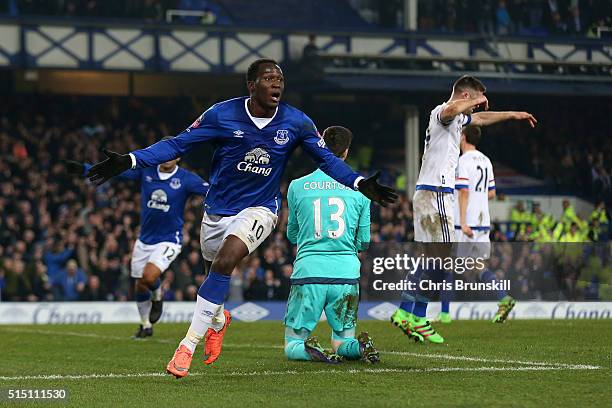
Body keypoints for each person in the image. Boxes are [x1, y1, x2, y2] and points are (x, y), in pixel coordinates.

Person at [85, 58, 397, 378]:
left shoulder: (297, 122)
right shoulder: (221, 114)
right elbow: (178, 144)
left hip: (261, 208)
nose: (277, 83)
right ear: (252, 85)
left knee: (225, 262)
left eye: (280, 79)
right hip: (218, 211)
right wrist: (131, 160)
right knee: (212, 275)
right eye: (268, 78)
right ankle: (218, 320)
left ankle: (186, 346)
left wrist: (359, 183)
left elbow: (328, 160)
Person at [390, 75, 536, 344]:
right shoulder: (442, 113)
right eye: (476, 101)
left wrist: (513, 114)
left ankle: (403, 313)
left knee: (429, 259)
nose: (477, 110)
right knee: (441, 261)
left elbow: (481, 119)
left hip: (428, 193)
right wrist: (474, 100)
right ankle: (418, 317)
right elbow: (451, 108)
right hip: (436, 194)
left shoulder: (459, 120)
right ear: (466, 97)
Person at [64, 136, 209, 338]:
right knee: (140, 284)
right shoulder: (146, 172)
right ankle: (145, 326)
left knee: (149, 277)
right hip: (144, 239)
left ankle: (157, 297)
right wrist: (83, 169)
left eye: (173, 154)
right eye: (165, 153)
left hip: (169, 239)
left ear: (178, 158)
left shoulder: (186, 179)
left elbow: (211, 190)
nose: (168, 157)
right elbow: (115, 171)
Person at [284, 125, 379, 364]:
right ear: (346, 152)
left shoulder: (297, 186)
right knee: (341, 340)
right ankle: (358, 347)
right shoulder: (362, 190)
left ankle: (308, 350)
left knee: (292, 343)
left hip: (309, 272)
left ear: (321, 148)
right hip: (346, 274)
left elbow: (292, 235)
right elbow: (364, 242)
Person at [436, 125, 516, 324]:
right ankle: (503, 298)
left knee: (449, 266)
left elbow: (463, 191)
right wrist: (476, 199)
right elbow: (491, 193)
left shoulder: (463, 161)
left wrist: (462, 221)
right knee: (477, 266)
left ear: (462, 136)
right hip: (482, 222)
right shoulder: (486, 161)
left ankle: (445, 314)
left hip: (466, 224)